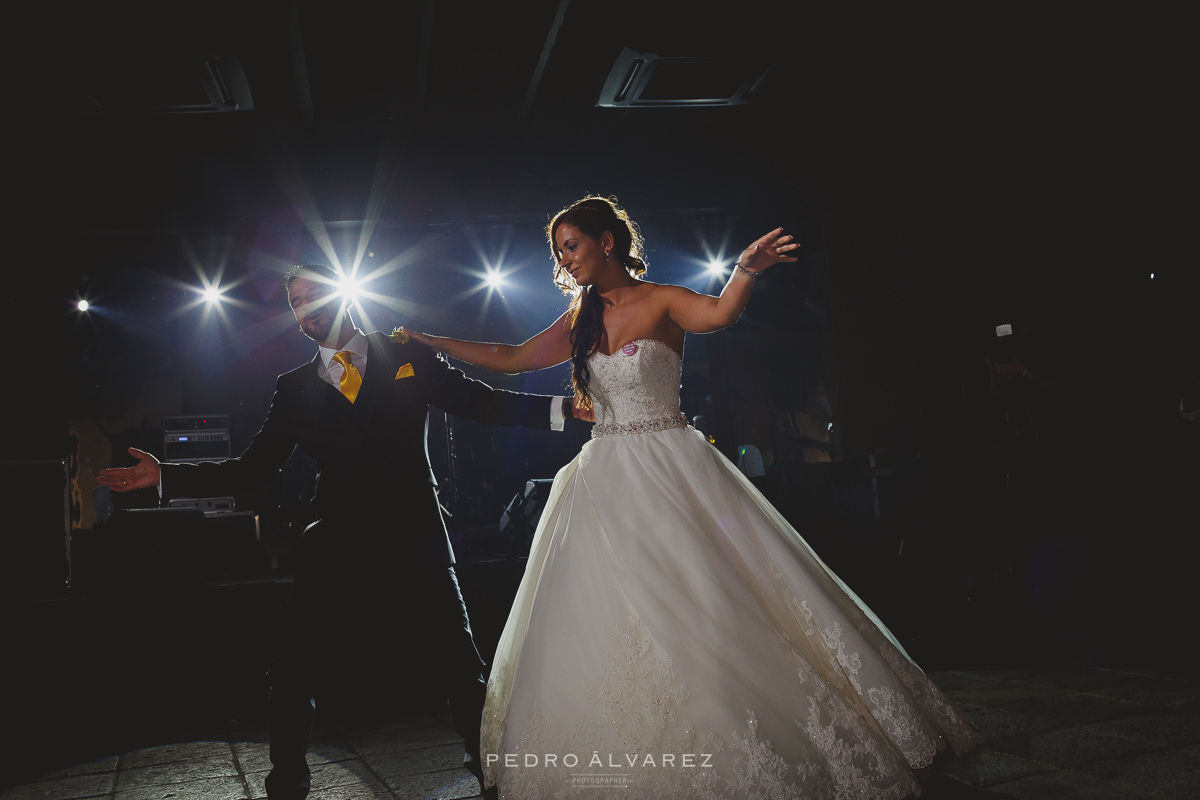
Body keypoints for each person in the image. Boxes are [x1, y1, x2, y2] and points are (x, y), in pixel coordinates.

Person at [402, 196, 983, 798]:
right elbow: (513, 358)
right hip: (604, 478)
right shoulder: (580, 319)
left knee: (709, 595)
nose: (564, 260)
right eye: (558, 252)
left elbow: (722, 315)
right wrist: (432, 341)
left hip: (673, 466)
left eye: (571, 246)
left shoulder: (662, 300)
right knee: (605, 607)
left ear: (607, 241)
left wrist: (747, 269)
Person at [97, 263, 574, 800]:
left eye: (313, 296)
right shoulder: (293, 389)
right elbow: (254, 469)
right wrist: (166, 475)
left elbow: (484, 403)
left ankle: (489, 768)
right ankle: (287, 781)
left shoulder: (404, 354)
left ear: (343, 295)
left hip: (413, 530)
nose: (305, 311)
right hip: (335, 539)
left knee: (458, 662)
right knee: (294, 671)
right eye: (295, 304)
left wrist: (564, 409)